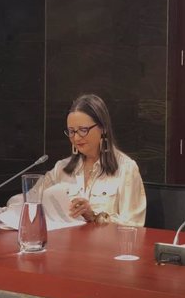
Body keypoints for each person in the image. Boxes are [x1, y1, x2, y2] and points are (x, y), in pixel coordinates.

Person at [35, 93, 146, 226]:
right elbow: (30, 198)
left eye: (83, 130)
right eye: (71, 131)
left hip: (107, 246)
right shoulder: (61, 168)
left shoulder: (126, 169)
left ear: (103, 128)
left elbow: (134, 225)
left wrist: (93, 216)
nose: (76, 138)